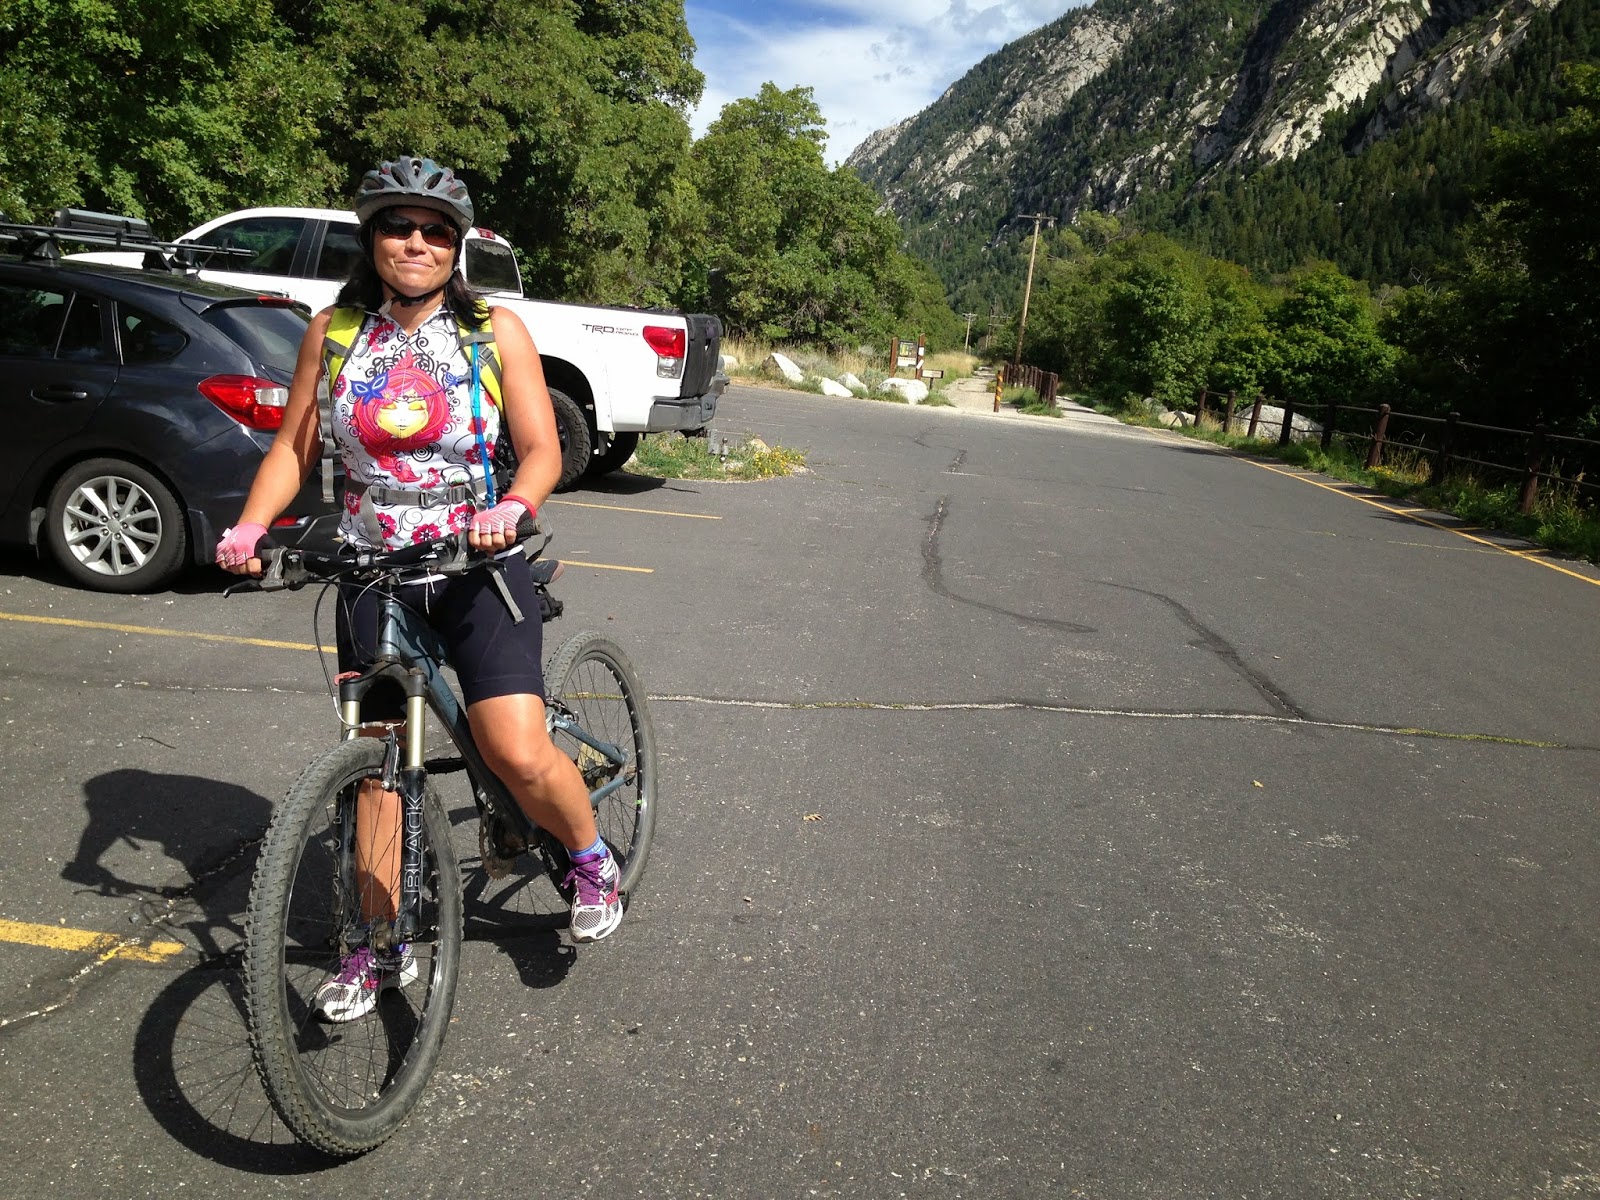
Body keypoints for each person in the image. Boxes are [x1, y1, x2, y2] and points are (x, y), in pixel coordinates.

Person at [217, 156, 621, 1021]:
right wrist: (251, 527)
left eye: (437, 231)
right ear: (372, 238)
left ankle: (589, 858)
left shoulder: (491, 331)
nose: (417, 242)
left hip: (477, 559)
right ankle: (376, 944)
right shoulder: (334, 332)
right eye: (400, 226)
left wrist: (512, 506)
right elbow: (292, 450)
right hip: (373, 567)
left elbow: (544, 449)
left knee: (511, 748)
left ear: (457, 246)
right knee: (379, 767)